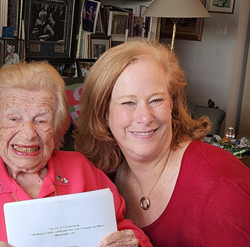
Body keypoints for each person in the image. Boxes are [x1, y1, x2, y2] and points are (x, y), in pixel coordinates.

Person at [0, 61, 151, 246]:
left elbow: (126, 231)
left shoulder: (83, 171)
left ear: (58, 130)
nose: (28, 134)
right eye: (14, 119)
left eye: (41, 120)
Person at [74, 40, 250, 246]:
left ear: (172, 104)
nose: (145, 117)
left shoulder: (221, 185)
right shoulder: (100, 177)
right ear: (103, 114)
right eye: (128, 102)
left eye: (156, 100)